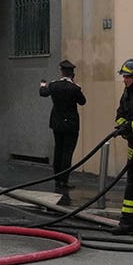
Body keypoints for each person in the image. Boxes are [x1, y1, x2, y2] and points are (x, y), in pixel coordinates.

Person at [39, 59, 86, 191]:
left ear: (61, 72)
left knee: (58, 150)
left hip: (57, 123)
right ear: (72, 75)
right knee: (67, 153)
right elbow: (83, 102)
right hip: (71, 125)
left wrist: (42, 84)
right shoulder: (74, 88)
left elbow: (43, 93)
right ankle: (64, 180)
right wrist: (77, 87)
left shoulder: (54, 85)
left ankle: (57, 178)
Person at [113, 58, 133, 234]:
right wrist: (122, 125)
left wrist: (131, 126)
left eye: (127, 76)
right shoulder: (127, 93)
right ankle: (128, 223)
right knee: (132, 184)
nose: (124, 79)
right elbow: (120, 113)